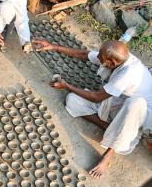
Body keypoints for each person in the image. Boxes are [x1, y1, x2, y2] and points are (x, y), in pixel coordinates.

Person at [33, 39, 152, 178]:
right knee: (72, 101)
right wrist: (53, 46)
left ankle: (109, 153)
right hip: (119, 102)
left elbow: (96, 97)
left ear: (111, 63)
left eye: (101, 57)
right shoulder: (118, 58)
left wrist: (66, 85)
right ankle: (109, 128)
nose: (98, 58)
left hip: (139, 116)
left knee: (135, 103)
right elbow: (86, 55)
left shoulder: (127, 73)